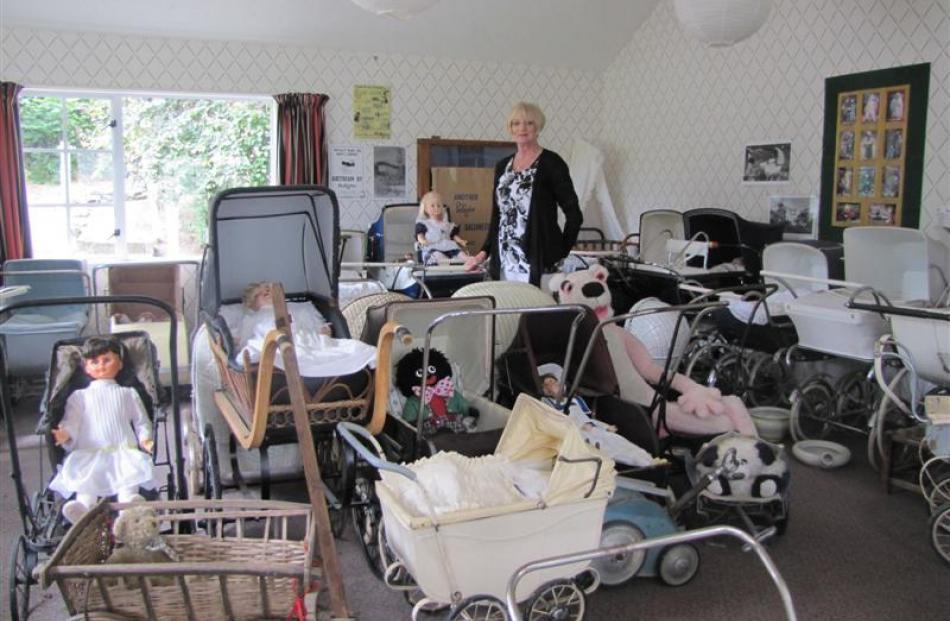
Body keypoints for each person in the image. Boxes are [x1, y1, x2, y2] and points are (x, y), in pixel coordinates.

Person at [464, 102, 582, 286]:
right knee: (507, 311)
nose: (522, 128)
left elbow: (574, 214)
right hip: (504, 262)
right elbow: (498, 217)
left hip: (538, 261)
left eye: (529, 123)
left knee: (534, 313)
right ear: (510, 128)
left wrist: (560, 251)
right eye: (516, 123)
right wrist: (483, 253)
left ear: (538, 127)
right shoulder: (502, 167)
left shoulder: (552, 163)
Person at [49, 337, 155, 523]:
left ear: (120, 364)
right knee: (86, 482)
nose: (101, 366)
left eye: (107, 360)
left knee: (128, 478)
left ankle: (129, 508)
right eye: (94, 362)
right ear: (86, 368)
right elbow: (72, 421)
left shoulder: (128, 393)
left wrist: (145, 439)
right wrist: (66, 433)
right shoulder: (80, 396)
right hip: (90, 452)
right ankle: (83, 509)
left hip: (123, 450)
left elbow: (141, 421)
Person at [539, 366, 654, 468]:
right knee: (604, 448)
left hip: (591, 428)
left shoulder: (575, 400)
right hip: (577, 433)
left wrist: (605, 427)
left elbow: (587, 418)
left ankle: (646, 457)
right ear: (545, 389)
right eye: (547, 383)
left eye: (553, 381)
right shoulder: (548, 403)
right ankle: (642, 462)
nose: (552, 385)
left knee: (615, 439)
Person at [415, 190, 469, 264]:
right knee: (438, 256)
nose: (436, 208)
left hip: (447, 246)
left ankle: (466, 260)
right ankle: (450, 263)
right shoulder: (424, 224)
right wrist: (422, 241)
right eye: (432, 206)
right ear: (426, 209)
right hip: (432, 247)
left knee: (460, 253)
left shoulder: (446, 224)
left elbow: (453, 235)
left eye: (439, 205)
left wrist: (460, 241)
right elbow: (420, 236)